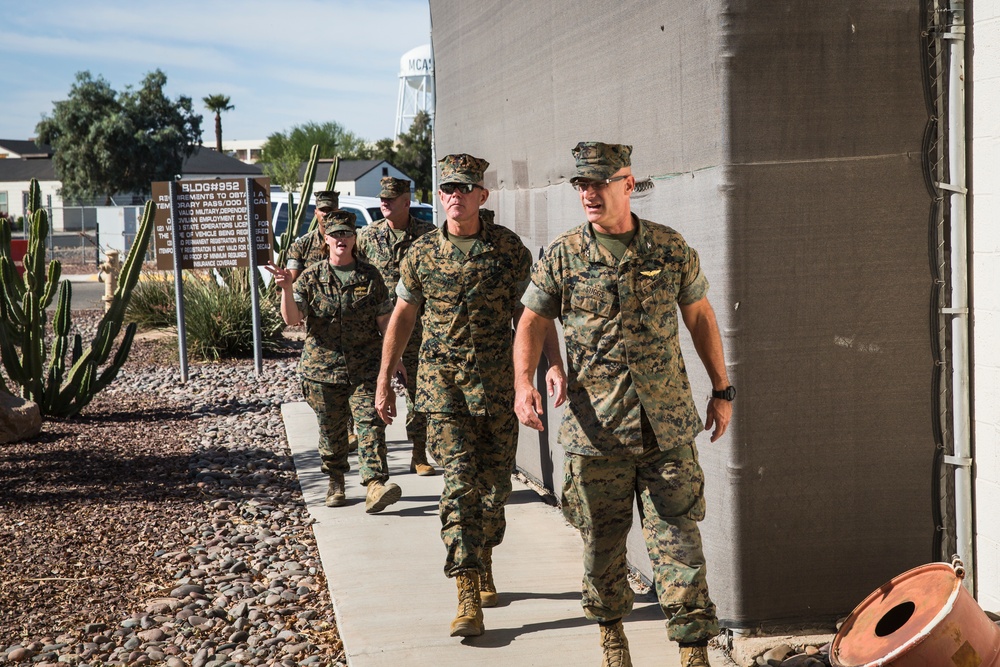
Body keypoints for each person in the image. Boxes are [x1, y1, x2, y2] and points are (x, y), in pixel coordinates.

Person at [512, 142, 734, 667]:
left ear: (627, 184)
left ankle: (693, 650)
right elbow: (531, 322)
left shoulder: (668, 247)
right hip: (597, 432)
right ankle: (612, 635)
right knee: (601, 544)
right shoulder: (563, 255)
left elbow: (700, 317)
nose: (589, 194)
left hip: (666, 427)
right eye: (581, 185)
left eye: (599, 183)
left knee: (680, 543)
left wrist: (722, 391)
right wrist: (526, 382)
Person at [375, 154, 537, 638]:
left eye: (465, 188)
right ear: (440, 194)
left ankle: (484, 556)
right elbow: (403, 316)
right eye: (448, 188)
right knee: (459, 485)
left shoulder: (509, 250)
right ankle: (466, 588)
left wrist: (545, 372)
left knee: (494, 490)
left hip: (498, 386)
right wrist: (384, 379)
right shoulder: (422, 253)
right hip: (442, 387)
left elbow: (533, 317)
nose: (455, 195)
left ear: (482, 195)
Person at [266, 210, 405, 514]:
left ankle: (375, 485)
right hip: (322, 370)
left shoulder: (370, 277)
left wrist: (396, 360)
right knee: (332, 430)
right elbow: (292, 319)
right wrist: (287, 288)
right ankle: (336, 480)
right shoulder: (311, 277)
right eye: (336, 234)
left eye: (347, 234)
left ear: (355, 239)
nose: (341, 239)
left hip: (366, 368)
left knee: (371, 423)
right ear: (326, 239)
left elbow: (386, 322)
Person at [357, 177, 437, 476]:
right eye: (382, 198)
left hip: (417, 330)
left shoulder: (428, 234)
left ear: (407, 201)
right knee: (373, 391)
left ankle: (418, 454)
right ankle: (375, 464)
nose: (385, 203)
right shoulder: (366, 236)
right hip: (376, 330)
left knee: (419, 394)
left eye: (392, 198)